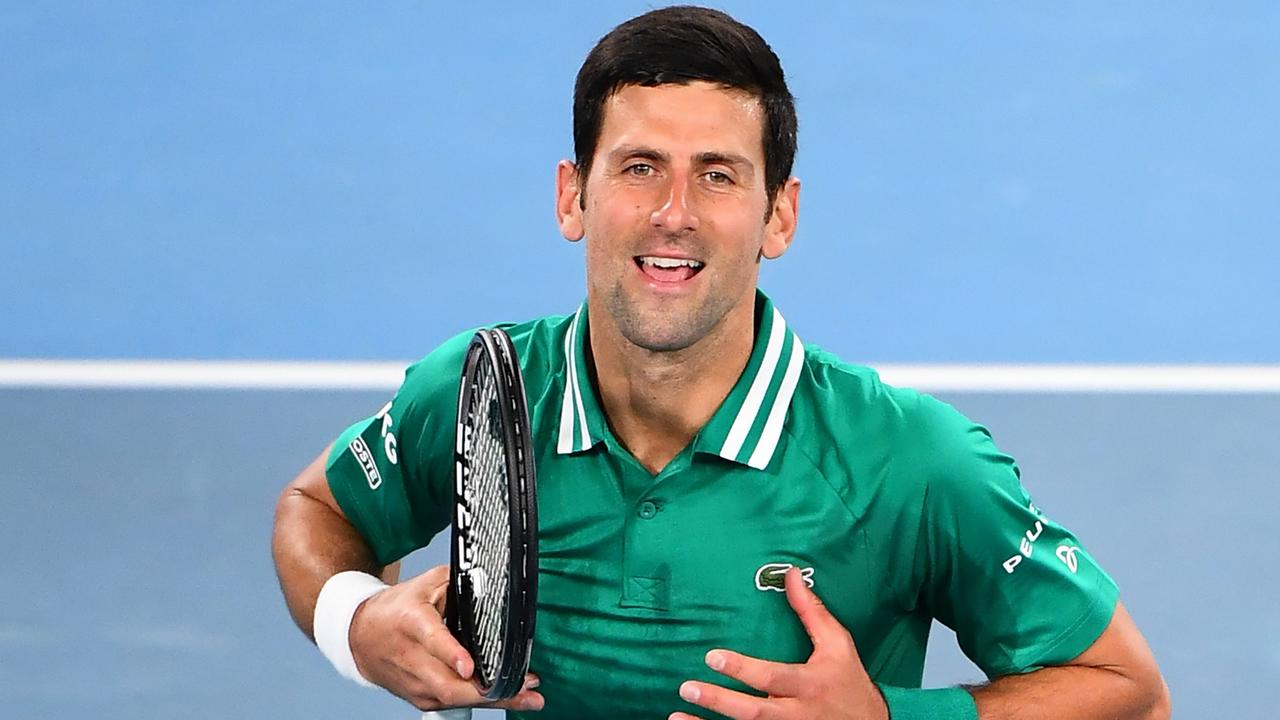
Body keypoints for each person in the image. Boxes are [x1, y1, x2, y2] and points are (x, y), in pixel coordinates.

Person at [272, 6, 1171, 719]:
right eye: (638, 168)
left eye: (717, 174)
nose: (673, 212)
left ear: (779, 215)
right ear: (571, 195)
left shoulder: (908, 463)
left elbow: (1125, 688)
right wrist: (356, 622)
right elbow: (317, 508)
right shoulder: (487, 390)